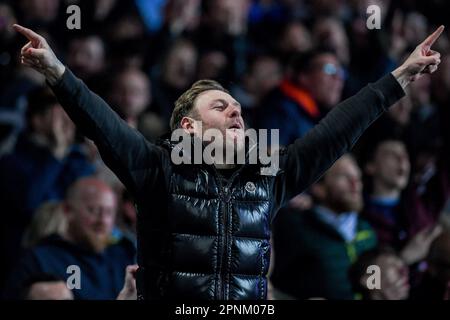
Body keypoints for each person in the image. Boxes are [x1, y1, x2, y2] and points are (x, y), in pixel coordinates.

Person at [12, 23, 444, 300]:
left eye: (238, 107)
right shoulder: (155, 169)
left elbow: (336, 132)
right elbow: (101, 123)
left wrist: (400, 77)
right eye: (221, 107)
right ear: (188, 128)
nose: (237, 112)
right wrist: (56, 71)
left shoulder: (269, 176)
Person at [3, 177, 136, 300]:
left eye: (109, 212)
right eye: (94, 210)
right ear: (68, 210)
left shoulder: (122, 256)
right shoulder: (40, 260)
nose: (103, 221)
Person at [271, 155, 377, 299]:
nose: (356, 184)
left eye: (357, 177)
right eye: (344, 177)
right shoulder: (294, 227)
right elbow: (271, 286)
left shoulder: (368, 231)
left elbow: (375, 285)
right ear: (318, 187)